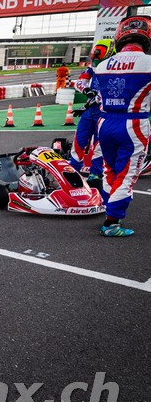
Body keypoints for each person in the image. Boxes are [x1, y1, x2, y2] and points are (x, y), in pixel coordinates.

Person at [90, 15, 151, 237]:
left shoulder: (103, 65)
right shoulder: (149, 62)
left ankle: (109, 211)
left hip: (105, 122)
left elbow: (95, 91)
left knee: (110, 169)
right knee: (127, 174)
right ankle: (112, 222)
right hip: (134, 122)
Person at [70, 39, 115, 181]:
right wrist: (86, 89)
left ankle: (95, 174)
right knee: (79, 141)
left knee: (99, 145)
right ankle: (72, 172)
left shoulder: (116, 68)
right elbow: (79, 81)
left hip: (105, 112)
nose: (95, 59)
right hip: (90, 111)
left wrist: (90, 102)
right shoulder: (92, 67)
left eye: (98, 56)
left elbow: (107, 93)